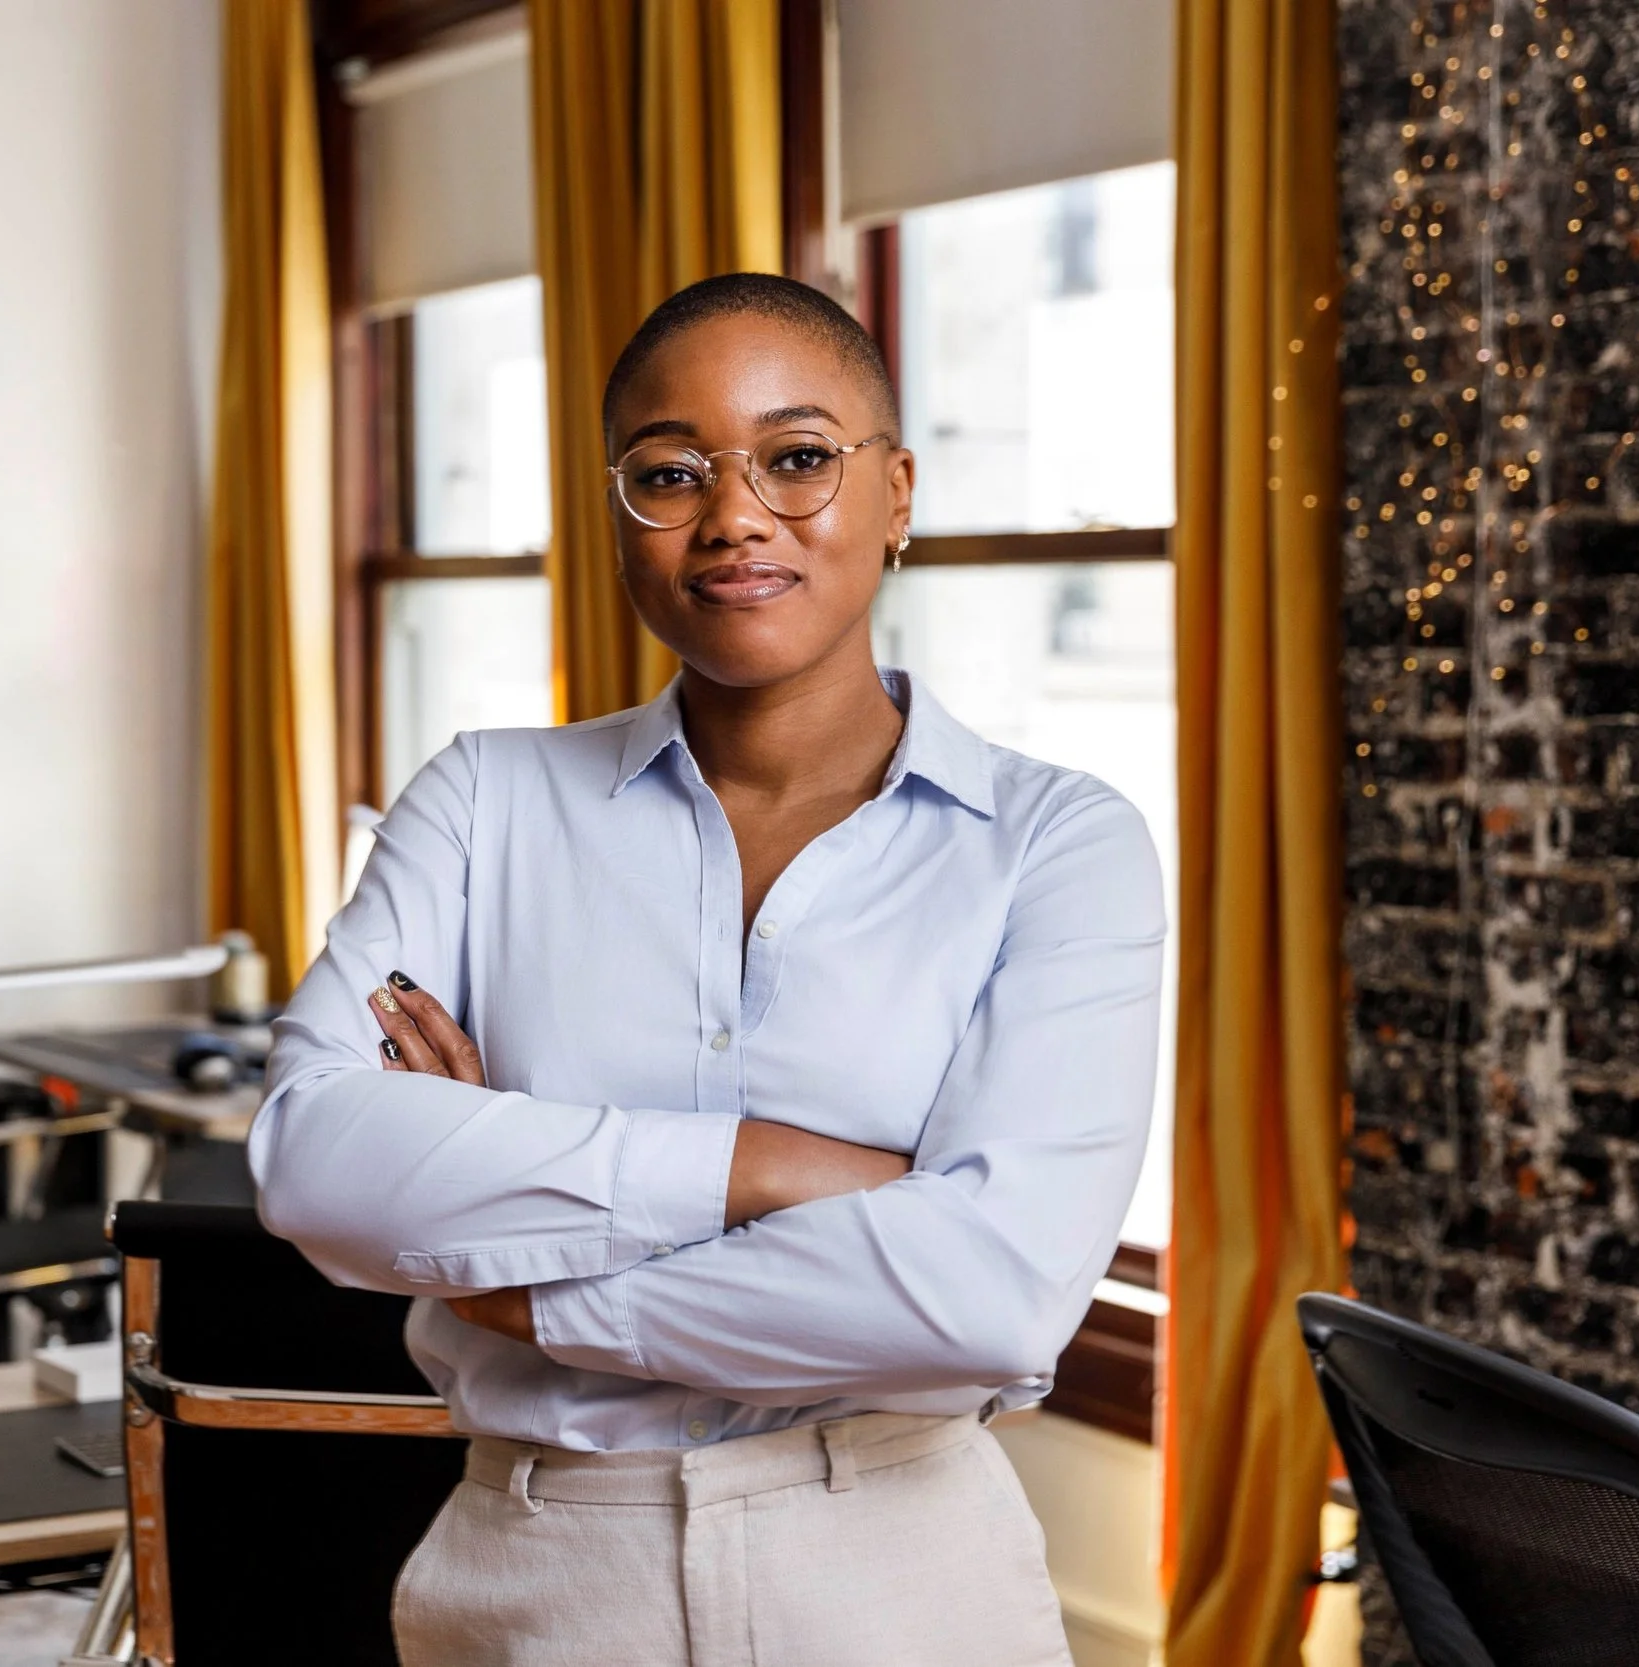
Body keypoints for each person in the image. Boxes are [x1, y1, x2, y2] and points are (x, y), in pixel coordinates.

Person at [250, 272, 1165, 1666]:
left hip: (904, 1574)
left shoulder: (1057, 844)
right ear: (617, 511)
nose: (737, 517)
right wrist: (768, 1167)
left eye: (798, 458)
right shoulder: (487, 803)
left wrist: (514, 1276)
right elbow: (315, 1162)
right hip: (542, 1574)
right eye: (670, 474)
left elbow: (985, 1296)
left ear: (898, 489)